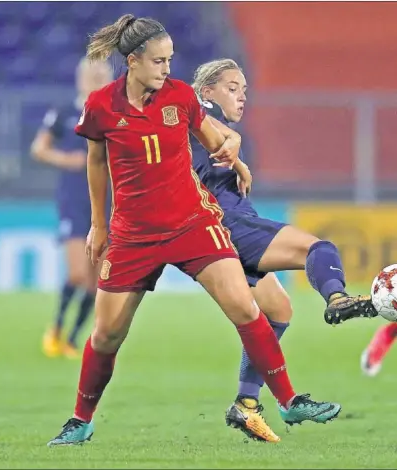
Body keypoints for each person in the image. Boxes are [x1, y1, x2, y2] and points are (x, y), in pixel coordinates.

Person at [47, 14, 341, 447]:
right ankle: (80, 420)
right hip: (133, 234)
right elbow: (96, 162)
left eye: (169, 60)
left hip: (193, 223)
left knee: (245, 307)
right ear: (133, 61)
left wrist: (235, 158)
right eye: (158, 61)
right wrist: (98, 224)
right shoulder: (101, 106)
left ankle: (289, 400)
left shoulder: (180, 96)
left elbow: (213, 137)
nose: (167, 69)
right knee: (107, 333)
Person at [190, 58, 376, 440]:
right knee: (318, 248)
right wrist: (235, 147)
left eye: (244, 90)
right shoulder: (199, 110)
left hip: (219, 226)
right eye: (232, 87)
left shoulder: (206, 128)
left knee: (277, 309)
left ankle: (246, 404)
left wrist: (236, 154)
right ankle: (337, 297)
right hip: (230, 223)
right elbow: (212, 130)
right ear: (207, 91)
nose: (242, 97)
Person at [31, 58, 113, 359]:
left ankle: (72, 340)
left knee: (96, 281)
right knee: (78, 273)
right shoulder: (65, 112)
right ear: (80, 78)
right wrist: (66, 160)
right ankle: (56, 326)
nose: (95, 79)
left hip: (106, 203)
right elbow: (38, 149)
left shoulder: (115, 115)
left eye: (101, 75)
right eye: (91, 75)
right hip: (74, 201)